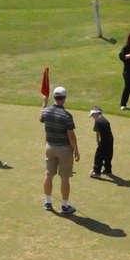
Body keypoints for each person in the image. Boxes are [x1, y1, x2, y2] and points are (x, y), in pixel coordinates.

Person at [41, 85, 80, 213]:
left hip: (50, 147)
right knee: (65, 177)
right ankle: (64, 206)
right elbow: (71, 136)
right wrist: (76, 151)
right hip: (64, 149)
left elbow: (41, 117)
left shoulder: (46, 111)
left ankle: (47, 203)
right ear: (64, 99)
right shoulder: (66, 116)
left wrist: (45, 103)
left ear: (54, 97)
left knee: (48, 175)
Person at [89, 107, 113, 177]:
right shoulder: (103, 118)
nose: (93, 116)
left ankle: (96, 172)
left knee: (98, 156)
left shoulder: (98, 120)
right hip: (110, 139)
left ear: (96, 113)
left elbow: (97, 132)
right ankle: (108, 170)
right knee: (108, 155)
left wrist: (97, 140)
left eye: (93, 114)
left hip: (104, 140)